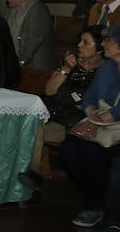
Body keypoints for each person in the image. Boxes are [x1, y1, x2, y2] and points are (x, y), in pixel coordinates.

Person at [18, 26, 104, 192]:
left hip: (79, 124)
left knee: (36, 128)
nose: (79, 45)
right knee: (32, 125)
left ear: (100, 49)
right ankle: (32, 175)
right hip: (58, 117)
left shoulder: (105, 72)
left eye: (85, 42)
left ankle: (33, 176)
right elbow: (50, 90)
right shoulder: (72, 66)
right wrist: (66, 69)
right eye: (80, 41)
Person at [60, 24, 120, 231]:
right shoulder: (107, 67)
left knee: (94, 152)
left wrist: (104, 119)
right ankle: (99, 197)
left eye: (109, 40)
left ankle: (93, 206)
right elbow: (89, 97)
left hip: (116, 126)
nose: (104, 44)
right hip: (102, 120)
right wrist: (92, 115)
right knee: (70, 147)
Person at [2, 0, 56, 69]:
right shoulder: (14, 10)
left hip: (35, 65)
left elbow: (34, 40)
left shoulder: (38, 10)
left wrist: (22, 62)